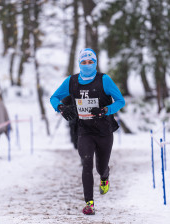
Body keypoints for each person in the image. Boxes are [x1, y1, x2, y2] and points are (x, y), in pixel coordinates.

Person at [50, 48, 125, 215]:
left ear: (96, 63)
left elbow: (120, 101)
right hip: (84, 131)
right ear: (79, 63)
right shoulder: (71, 81)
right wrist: (61, 107)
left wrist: (106, 110)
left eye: (90, 62)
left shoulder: (104, 80)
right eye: (84, 62)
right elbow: (53, 98)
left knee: (101, 167)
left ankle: (105, 178)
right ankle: (89, 203)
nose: (87, 65)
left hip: (104, 130)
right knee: (86, 164)